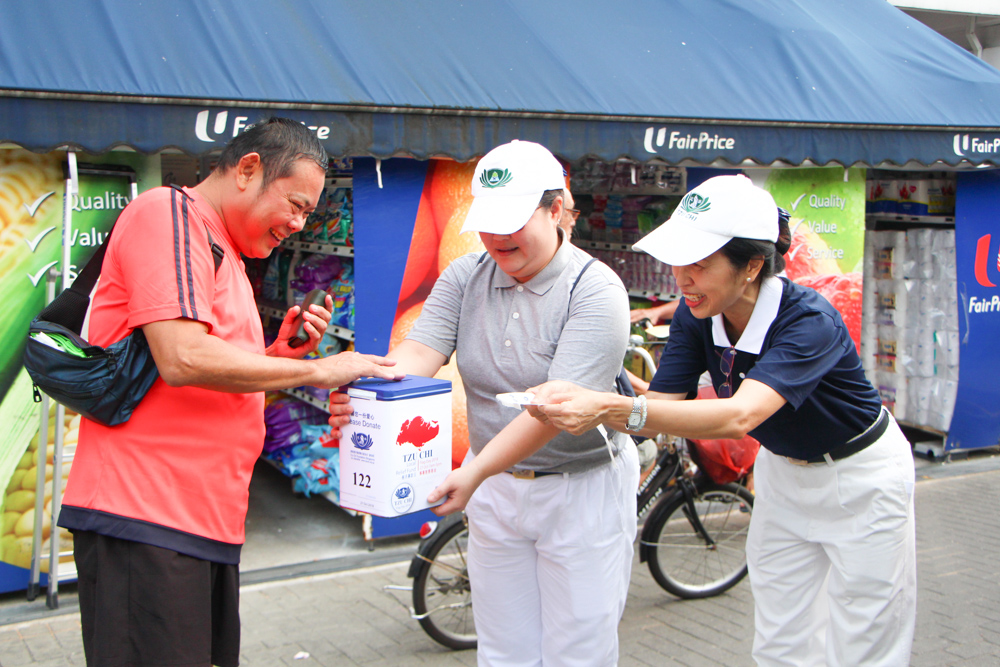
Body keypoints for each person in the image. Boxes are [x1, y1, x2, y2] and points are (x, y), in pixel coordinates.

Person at [529, 174, 916, 667]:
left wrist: (609, 407)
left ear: (752, 266)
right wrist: (595, 390)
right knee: (781, 637)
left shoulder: (807, 320)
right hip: (782, 473)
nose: (681, 278)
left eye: (699, 263)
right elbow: (657, 413)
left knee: (865, 637)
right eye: (678, 260)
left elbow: (740, 415)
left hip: (861, 476)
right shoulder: (697, 315)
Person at [58, 117, 401, 667]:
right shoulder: (169, 215)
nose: (297, 223)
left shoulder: (224, 249)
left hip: (197, 521)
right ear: (247, 170)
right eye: (296, 204)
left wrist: (280, 356)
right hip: (147, 515)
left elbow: (207, 373)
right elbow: (182, 357)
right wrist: (318, 371)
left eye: (308, 214)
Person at [386, 140, 639, 666]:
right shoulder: (465, 275)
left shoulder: (595, 290)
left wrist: (475, 472)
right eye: (488, 222)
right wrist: (370, 397)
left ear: (555, 209)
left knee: (578, 650)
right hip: (494, 485)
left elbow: (554, 412)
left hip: (579, 488)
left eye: (513, 221)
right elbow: (418, 352)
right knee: (504, 647)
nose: (498, 237)